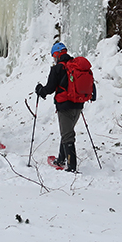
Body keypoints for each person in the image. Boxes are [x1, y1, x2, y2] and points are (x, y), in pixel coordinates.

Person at [35, 42, 95, 173]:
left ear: (56, 54)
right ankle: (61, 160)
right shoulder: (77, 67)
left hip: (64, 106)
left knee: (67, 135)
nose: (54, 59)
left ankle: (71, 166)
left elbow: (49, 89)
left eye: (53, 56)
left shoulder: (57, 69)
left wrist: (40, 90)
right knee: (66, 132)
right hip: (79, 105)